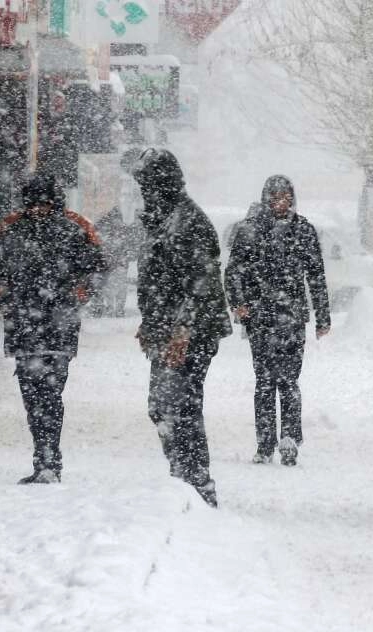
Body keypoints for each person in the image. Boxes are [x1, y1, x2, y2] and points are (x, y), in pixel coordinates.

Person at [0, 173, 106, 484]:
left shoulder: (71, 229)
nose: (39, 208)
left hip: (55, 326)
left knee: (48, 394)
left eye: (44, 202)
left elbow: (99, 267)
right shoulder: (12, 229)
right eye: (34, 203)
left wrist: (83, 292)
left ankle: (48, 460)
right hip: (27, 325)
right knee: (32, 395)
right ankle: (46, 459)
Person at [130, 148, 231, 508]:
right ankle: (183, 474)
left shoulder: (189, 221)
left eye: (147, 182)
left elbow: (201, 283)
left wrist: (182, 331)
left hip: (193, 331)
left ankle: (197, 482)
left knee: (181, 404)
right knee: (162, 406)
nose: (143, 189)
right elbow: (157, 279)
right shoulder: (160, 218)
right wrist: (150, 321)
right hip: (166, 327)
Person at [224, 175, 331, 466]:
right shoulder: (250, 231)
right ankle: (264, 442)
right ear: (266, 199)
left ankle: (289, 439)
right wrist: (239, 304)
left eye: (286, 197)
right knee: (264, 382)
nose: (281, 203)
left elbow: (317, 276)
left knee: (289, 381)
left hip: (292, 318)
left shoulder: (303, 230)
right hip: (260, 318)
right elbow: (233, 272)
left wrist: (323, 317)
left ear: (292, 199)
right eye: (275, 197)